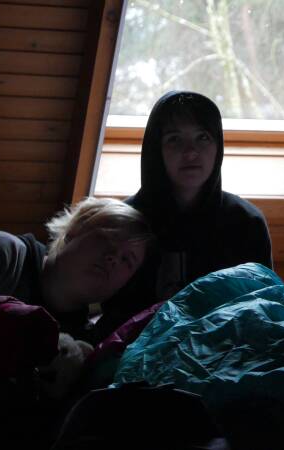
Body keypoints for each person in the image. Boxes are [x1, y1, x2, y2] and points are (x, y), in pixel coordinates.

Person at [0, 197, 153, 414]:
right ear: (74, 231)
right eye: (106, 238)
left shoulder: (77, 351)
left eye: (127, 259)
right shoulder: (0, 254)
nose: (113, 257)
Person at [99, 91, 272, 331]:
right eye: (174, 139)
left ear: (218, 146)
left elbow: (261, 312)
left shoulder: (246, 223)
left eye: (203, 137)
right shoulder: (125, 222)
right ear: (156, 149)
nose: (190, 152)